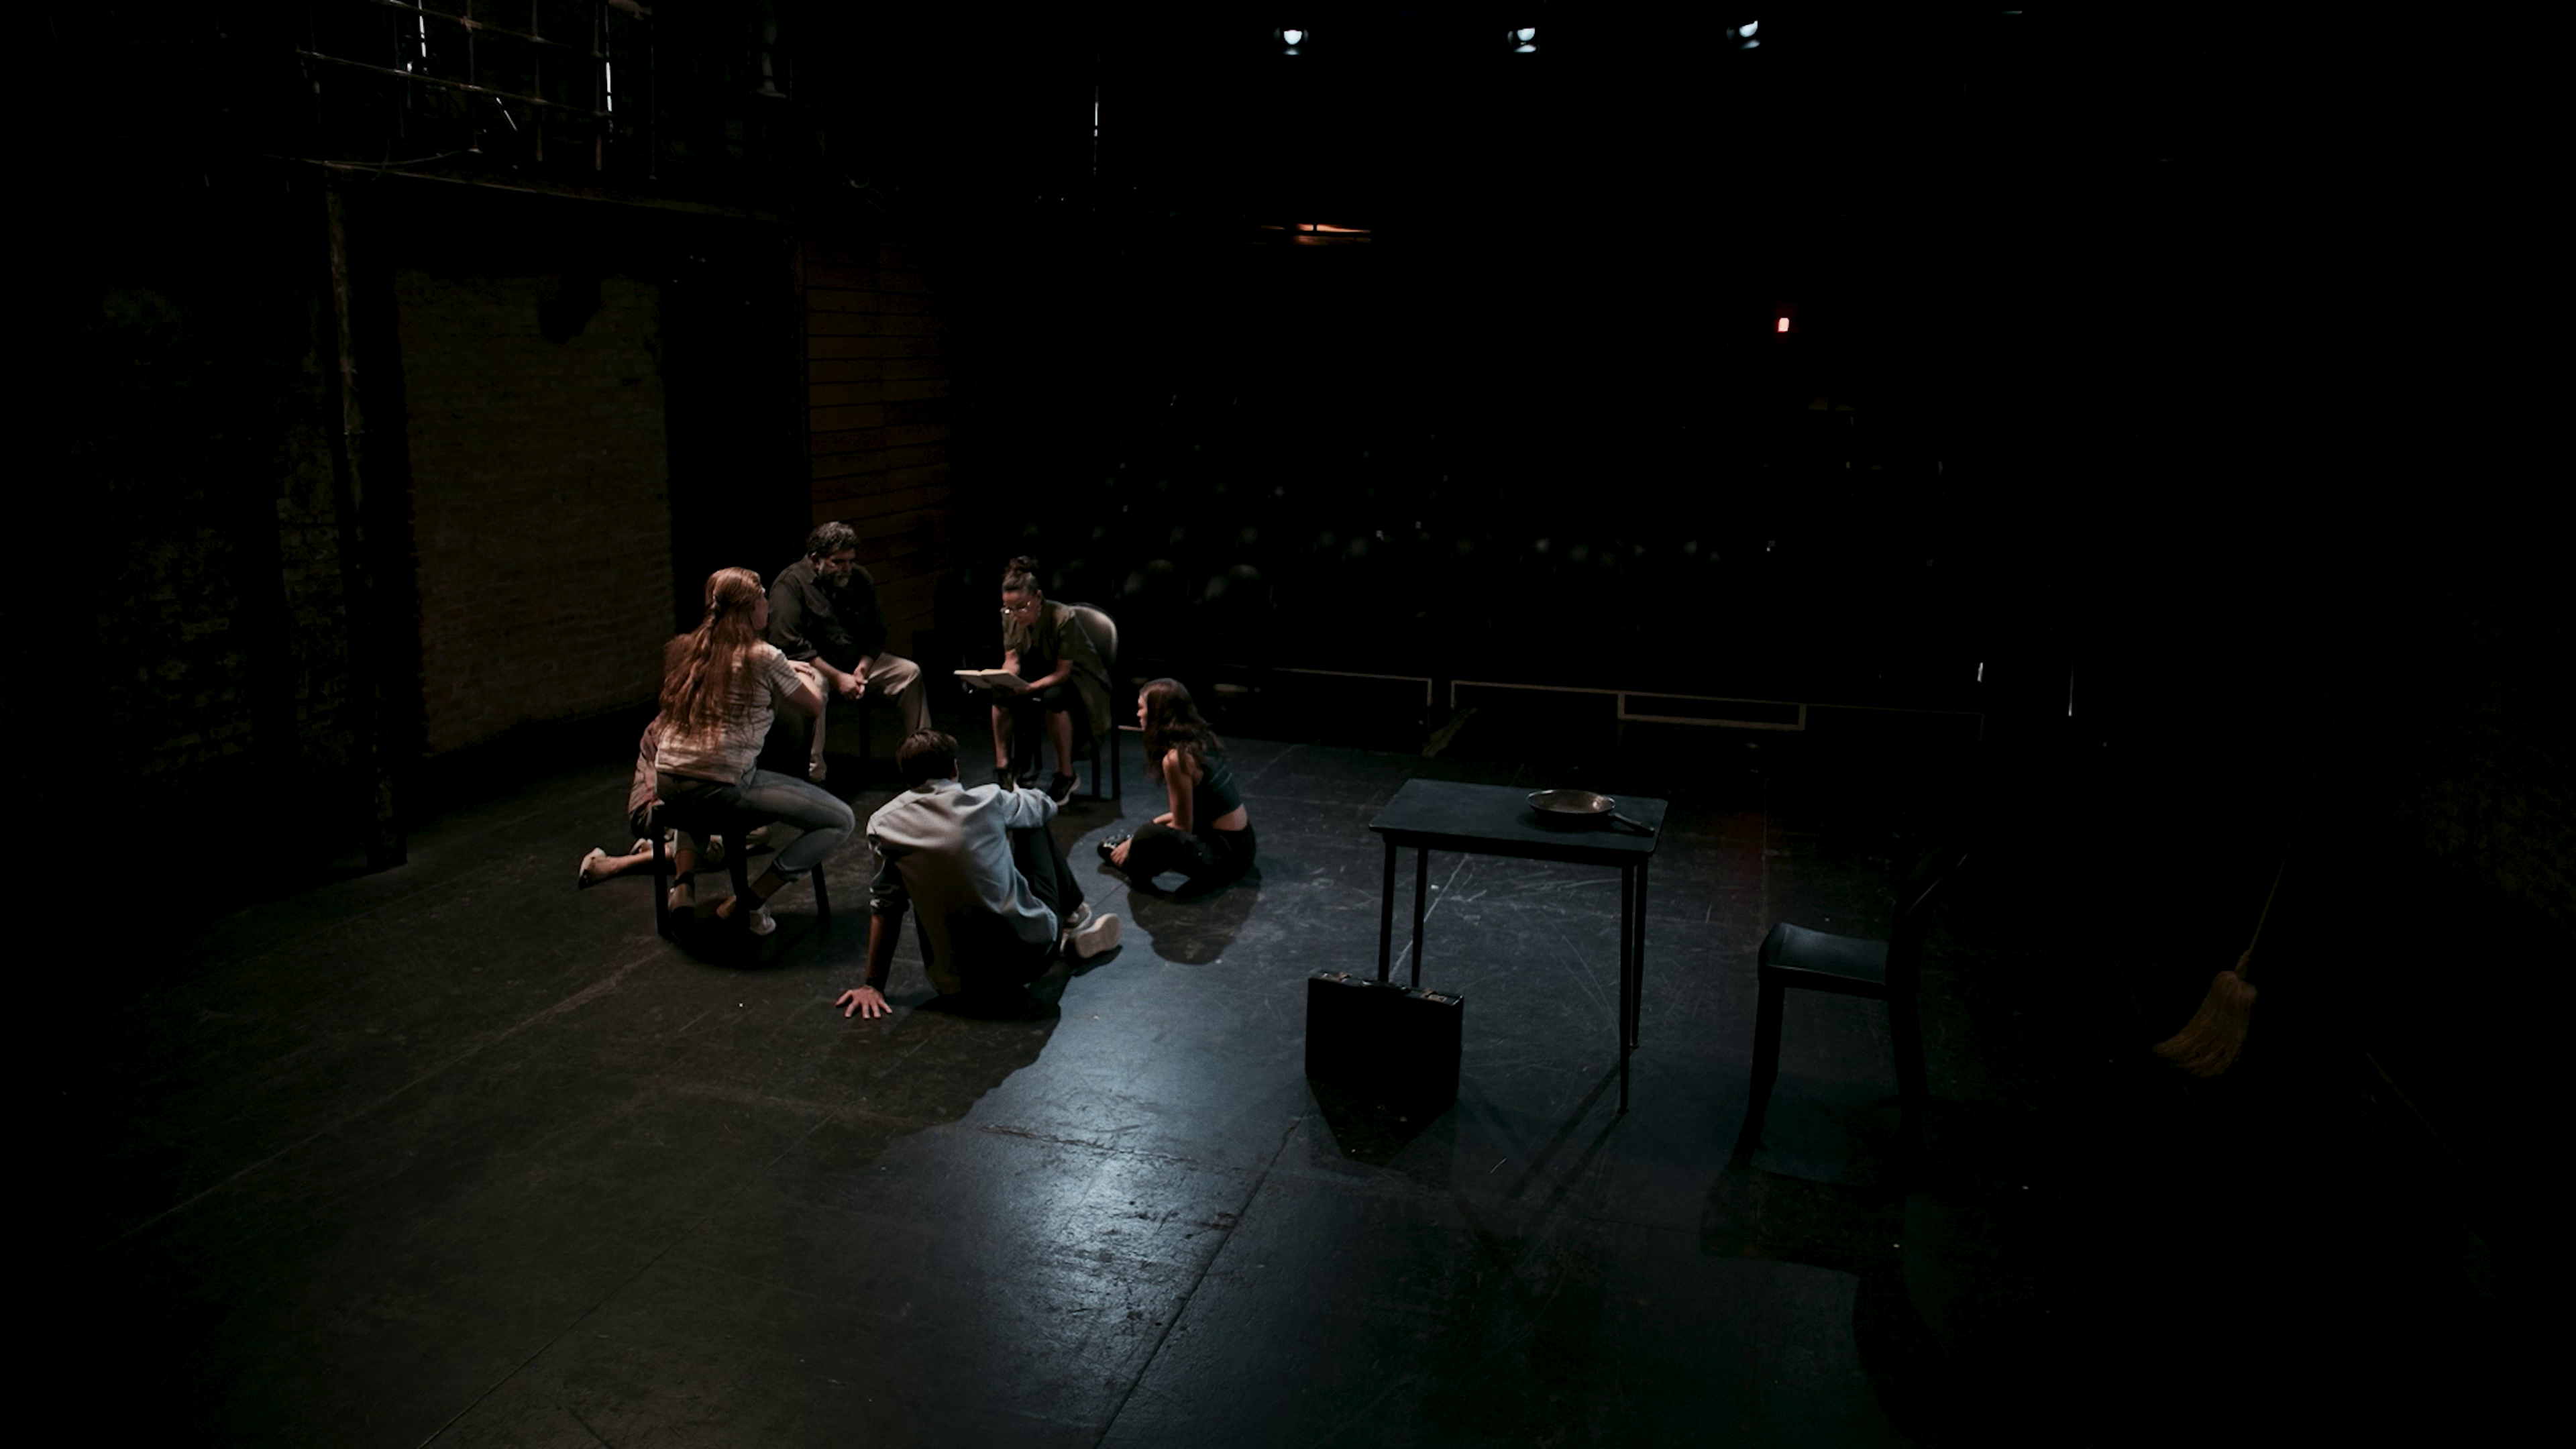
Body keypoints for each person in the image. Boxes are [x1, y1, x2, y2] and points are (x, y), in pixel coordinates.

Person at [837, 730, 1122, 1020]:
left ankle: (1069, 929)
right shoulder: (989, 800)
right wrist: (1019, 799)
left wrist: (872, 985)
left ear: (907, 777)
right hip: (1031, 958)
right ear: (954, 769)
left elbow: (886, 905)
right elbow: (1045, 807)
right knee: (1031, 820)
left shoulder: (884, 825)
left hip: (959, 984)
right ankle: (1073, 914)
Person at [657, 568, 855, 934]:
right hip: (720, 786)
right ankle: (748, 901)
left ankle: (683, 888)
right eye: (763, 596)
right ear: (750, 608)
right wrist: (807, 676)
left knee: (694, 790)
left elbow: (733, 667)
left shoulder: (688, 648)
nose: (768, 603)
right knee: (840, 820)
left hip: (668, 781)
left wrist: (780, 668)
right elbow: (813, 705)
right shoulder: (763, 656)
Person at [765, 521, 931, 783]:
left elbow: (876, 632)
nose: (847, 568)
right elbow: (790, 645)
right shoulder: (790, 584)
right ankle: (814, 775)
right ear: (815, 559)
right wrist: (838, 678)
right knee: (815, 687)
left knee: (909, 673)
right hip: (815, 666)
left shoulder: (860, 579)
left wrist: (862, 668)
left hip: (855, 663)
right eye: (838, 562)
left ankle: (925, 762)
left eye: (851, 561)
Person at [1100, 679, 1256, 892]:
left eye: (1141, 708)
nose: (1138, 714)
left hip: (1225, 859)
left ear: (1157, 713)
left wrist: (1138, 839)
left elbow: (1183, 827)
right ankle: (1136, 847)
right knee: (1150, 831)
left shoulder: (1176, 759)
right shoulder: (1200, 740)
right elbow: (1189, 814)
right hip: (1244, 845)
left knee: (1149, 834)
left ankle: (1129, 860)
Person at [983, 555, 1112, 803]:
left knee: (1054, 698)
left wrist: (1029, 688)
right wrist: (1003, 678)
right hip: (1041, 668)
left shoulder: (1063, 618)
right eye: (1009, 608)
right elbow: (1013, 659)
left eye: (1021, 607)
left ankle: (1066, 774)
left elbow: (1063, 673)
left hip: (1079, 677)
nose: (1015, 614)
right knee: (1000, 695)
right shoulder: (1009, 616)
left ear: (1038, 597)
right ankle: (1004, 767)